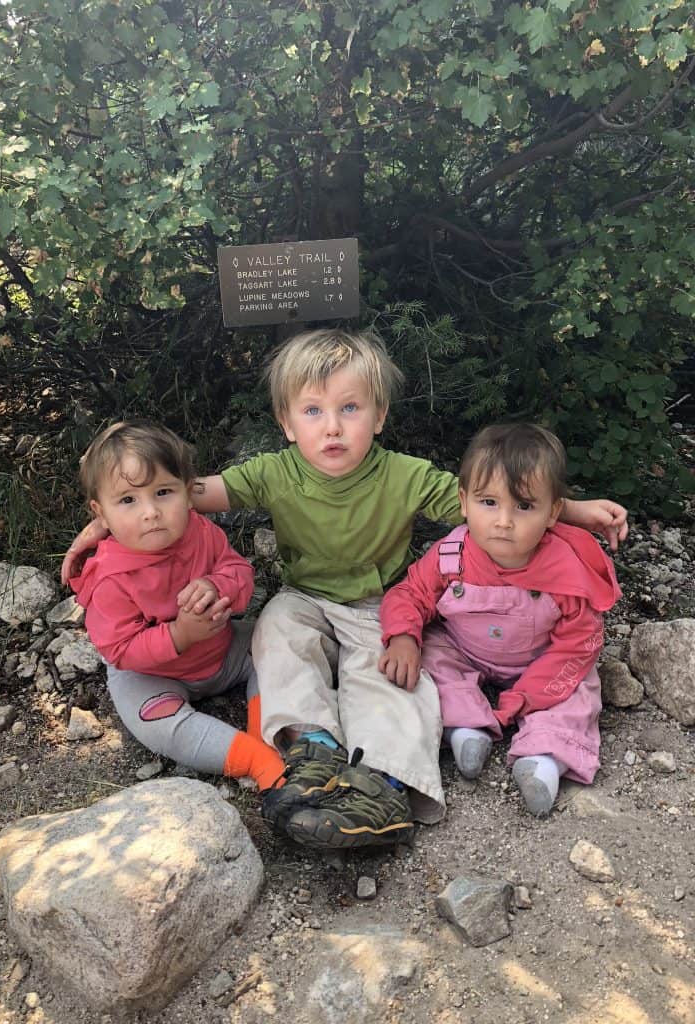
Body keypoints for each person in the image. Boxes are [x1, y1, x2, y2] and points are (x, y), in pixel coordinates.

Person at [62, 330, 628, 848]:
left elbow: (485, 496)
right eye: (313, 411)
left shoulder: (404, 476)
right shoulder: (274, 472)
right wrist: (112, 519)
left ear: (378, 415)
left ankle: (384, 782)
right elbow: (181, 492)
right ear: (287, 422)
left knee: (392, 671)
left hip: (379, 603)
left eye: (349, 409)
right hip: (305, 598)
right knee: (275, 629)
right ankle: (310, 749)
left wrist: (571, 510)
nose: (332, 427)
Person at [379, 422, 622, 818]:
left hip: (539, 659)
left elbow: (580, 641)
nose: (504, 520)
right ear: (464, 501)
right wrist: (403, 636)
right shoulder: (452, 555)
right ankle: (466, 728)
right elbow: (410, 593)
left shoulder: (566, 570)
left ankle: (543, 759)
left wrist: (527, 696)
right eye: (488, 503)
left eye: (523, 506)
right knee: (430, 656)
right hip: (465, 650)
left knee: (580, 689)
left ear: (553, 512)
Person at [68, 421, 284, 791]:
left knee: (281, 645)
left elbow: (239, 571)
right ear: (100, 514)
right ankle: (252, 758)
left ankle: (262, 729)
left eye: (163, 492)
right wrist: (179, 635)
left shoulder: (200, 531)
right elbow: (120, 648)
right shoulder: (109, 575)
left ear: (187, 493)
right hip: (152, 676)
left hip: (224, 649)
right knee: (154, 720)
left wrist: (217, 585)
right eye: (128, 500)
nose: (150, 512)